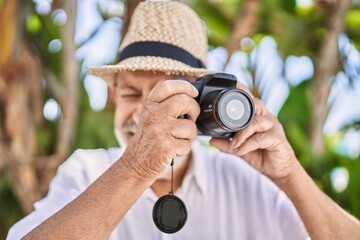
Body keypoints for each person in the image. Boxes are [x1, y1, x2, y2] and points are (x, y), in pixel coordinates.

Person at [7, 1, 360, 239]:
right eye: (131, 94)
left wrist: (290, 176)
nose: (147, 114)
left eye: (166, 94)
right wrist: (135, 167)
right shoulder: (84, 171)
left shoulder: (245, 179)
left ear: (206, 103)